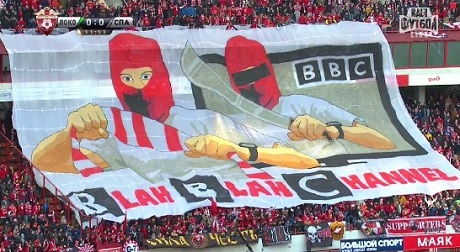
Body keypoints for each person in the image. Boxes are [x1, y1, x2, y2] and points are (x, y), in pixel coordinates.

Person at [31, 34, 320, 183]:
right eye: (127, 79)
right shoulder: (117, 133)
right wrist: (70, 132)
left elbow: (303, 160)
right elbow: (45, 162)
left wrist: (238, 151)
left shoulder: (207, 123)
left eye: (145, 77)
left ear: (160, 77)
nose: (139, 88)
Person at [206, 35, 396, 158]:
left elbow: (383, 143)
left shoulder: (303, 106)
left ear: (269, 70)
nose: (253, 84)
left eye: (257, 74)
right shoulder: (231, 125)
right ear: (233, 82)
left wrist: (331, 130)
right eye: (243, 78)